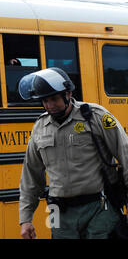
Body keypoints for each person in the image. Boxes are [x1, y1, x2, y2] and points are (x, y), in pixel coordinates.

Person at [18, 67, 128, 239]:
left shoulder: (95, 117)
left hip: (99, 207)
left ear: (68, 94)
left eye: (54, 99)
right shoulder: (40, 127)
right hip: (57, 211)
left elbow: (125, 155)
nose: (49, 106)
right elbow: (30, 176)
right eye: (45, 101)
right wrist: (25, 219)